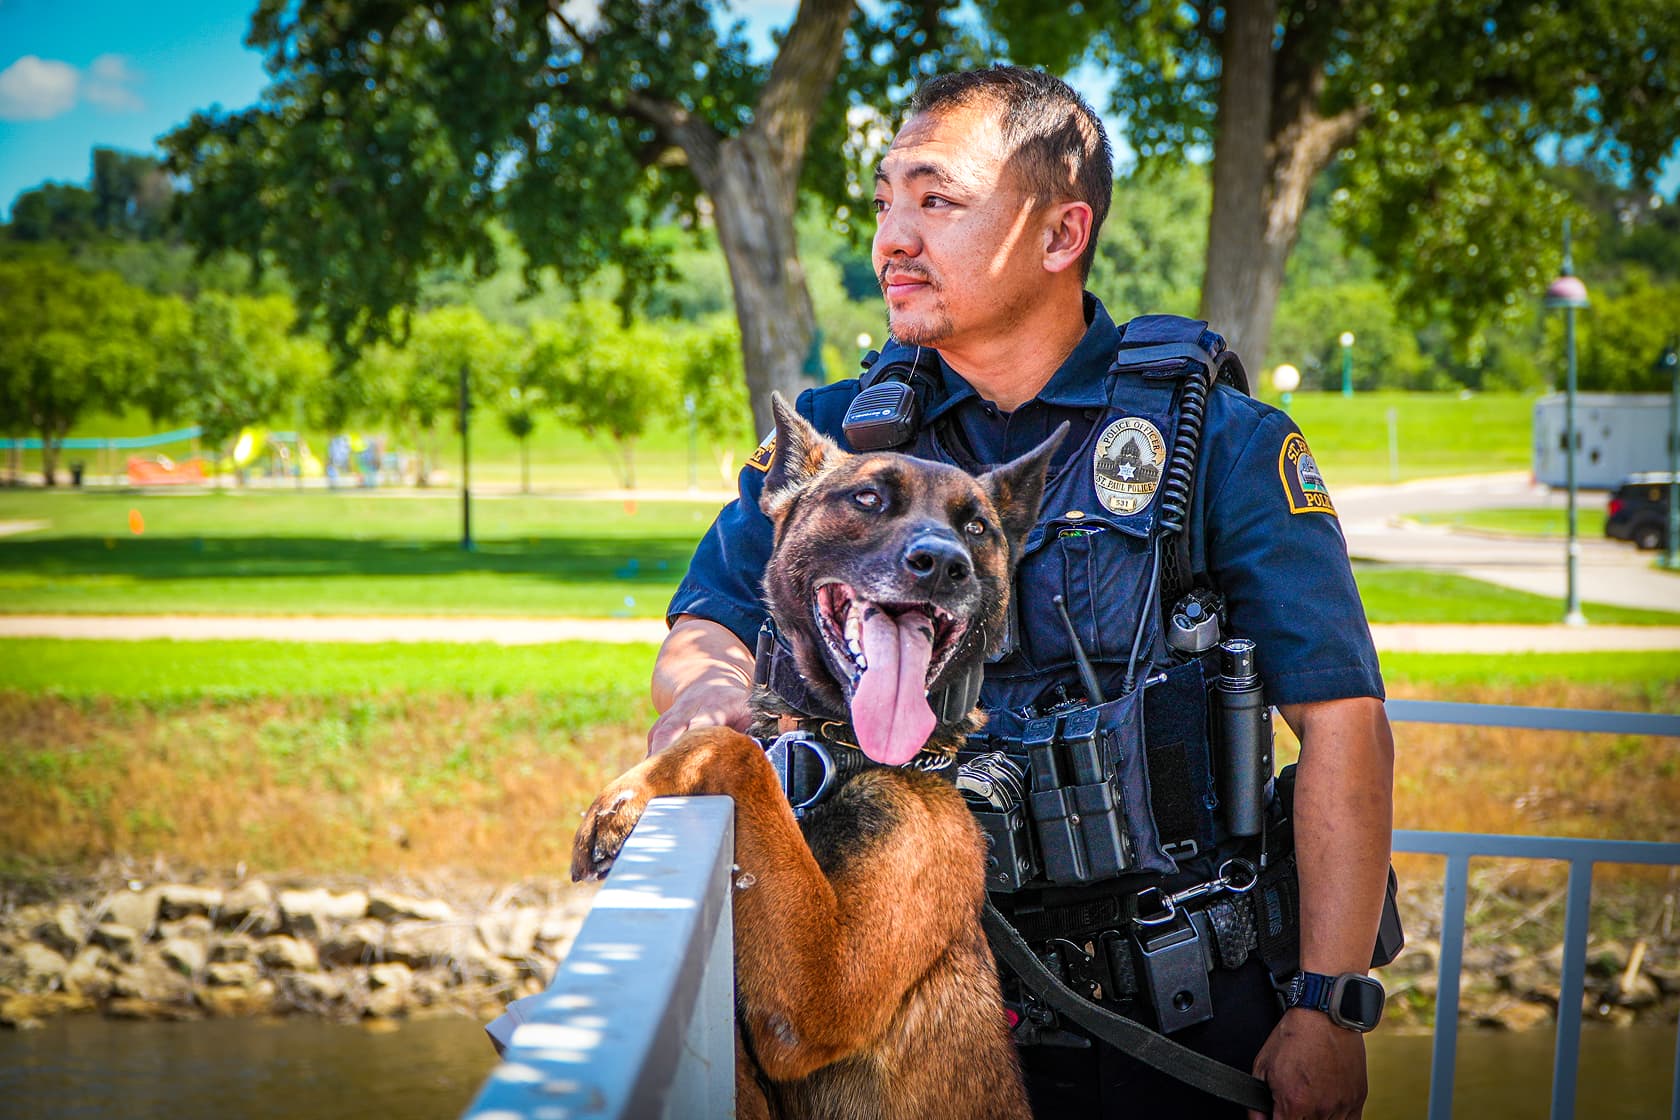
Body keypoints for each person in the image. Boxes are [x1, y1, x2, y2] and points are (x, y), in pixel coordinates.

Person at [652, 65, 1394, 1120]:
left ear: (1060, 234)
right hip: (908, 1021)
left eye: (936, 199)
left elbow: (1345, 725)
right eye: (885, 199)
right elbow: (707, 625)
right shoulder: (841, 437)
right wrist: (703, 698)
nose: (892, 238)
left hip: (1175, 1022)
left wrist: (1327, 1003)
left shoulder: (1215, 443)